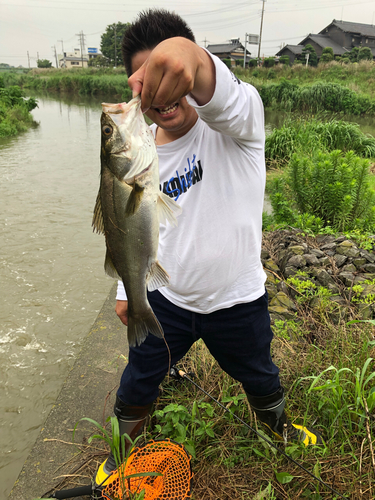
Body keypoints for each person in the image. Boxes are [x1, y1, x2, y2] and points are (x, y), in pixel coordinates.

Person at [95, 8, 321, 485]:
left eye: (169, 76)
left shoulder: (238, 127)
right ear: (136, 91)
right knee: (138, 380)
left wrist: (191, 56)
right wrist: (125, 291)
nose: (163, 95)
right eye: (149, 85)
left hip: (237, 298)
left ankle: (276, 430)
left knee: (259, 374)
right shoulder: (138, 153)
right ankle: (120, 454)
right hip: (167, 300)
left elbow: (225, 95)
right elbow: (128, 224)